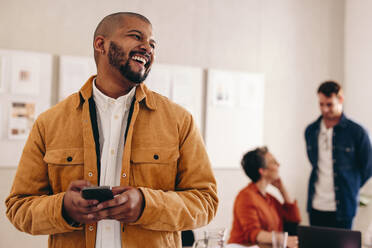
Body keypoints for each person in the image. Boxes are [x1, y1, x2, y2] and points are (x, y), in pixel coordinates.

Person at [5, 12, 218, 248]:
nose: (147, 48)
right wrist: (63, 207)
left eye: (152, 44)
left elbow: (205, 202)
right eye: (136, 36)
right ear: (101, 44)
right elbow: (18, 208)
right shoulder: (49, 122)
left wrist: (146, 205)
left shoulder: (179, 120)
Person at [305, 80, 372, 229]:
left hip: (344, 207)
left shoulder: (357, 132)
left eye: (329, 104)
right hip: (316, 205)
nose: (324, 109)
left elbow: (368, 167)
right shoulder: (311, 130)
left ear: (340, 100)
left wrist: (350, 184)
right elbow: (313, 161)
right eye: (321, 104)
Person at [228, 147, 301, 248]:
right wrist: (283, 240)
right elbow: (254, 233)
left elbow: (293, 221)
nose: (278, 165)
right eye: (274, 162)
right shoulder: (246, 197)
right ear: (263, 171)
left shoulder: (269, 198)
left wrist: (283, 190)